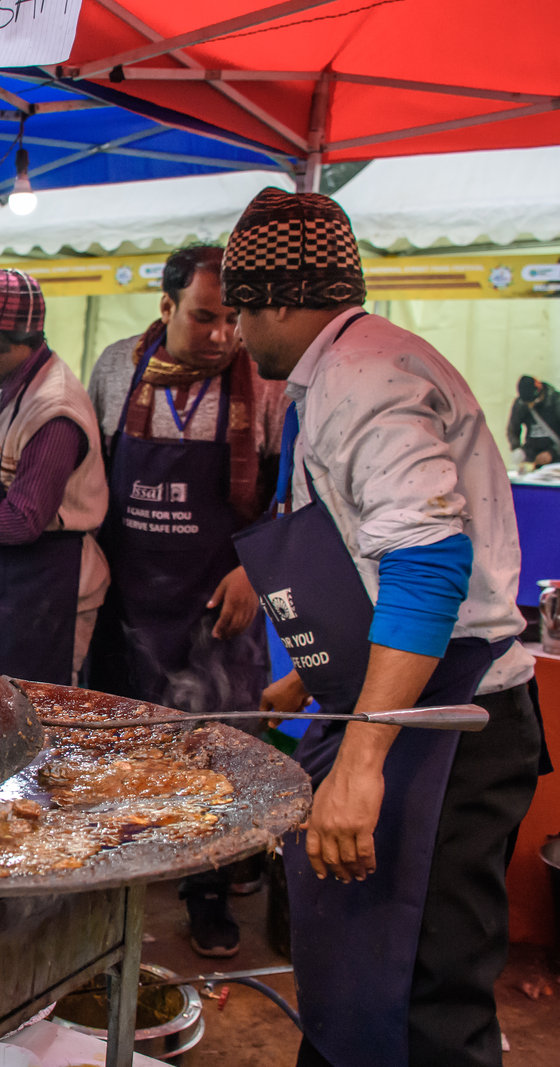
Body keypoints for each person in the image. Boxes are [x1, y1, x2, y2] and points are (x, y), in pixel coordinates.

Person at [222, 187, 544, 1067]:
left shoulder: (365, 380)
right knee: (357, 984)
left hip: (445, 732)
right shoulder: (341, 371)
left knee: (421, 999)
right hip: (398, 704)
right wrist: (312, 678)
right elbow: (362, 553)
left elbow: (430, 564)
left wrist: (361, 760)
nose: (236, 335)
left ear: (283, 299)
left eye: (243, 310)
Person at [85, 245, 286, 957]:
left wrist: (253, 568)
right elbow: (95, 474)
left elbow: (286, 492)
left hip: (216, 596)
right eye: (205, 316)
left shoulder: (263, 382)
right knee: (128, 742)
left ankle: (208, 890)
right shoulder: (116, 368)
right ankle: (123, 875)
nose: (222, 334)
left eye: (233, 318)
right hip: (132, 596)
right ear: (166, 306)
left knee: (217, 747)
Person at [0, 269, 108, 686]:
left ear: (14, 341)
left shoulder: (54, 408)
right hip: (17, 580)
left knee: (45, 711)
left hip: (51, 581)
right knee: (10, 698)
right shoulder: (14, 384)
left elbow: (23, 521)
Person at [507, 374, 559, 466]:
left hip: (555, 458)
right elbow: (513, 429)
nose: (530, 405)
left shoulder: (556, 401)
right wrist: (517, 449)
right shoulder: (521, 403)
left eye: (533, 401)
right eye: (528, 403)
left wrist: (552, 452)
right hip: (532, 456)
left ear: (540, 391)